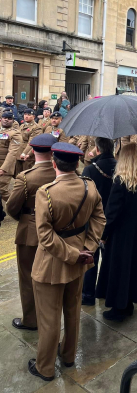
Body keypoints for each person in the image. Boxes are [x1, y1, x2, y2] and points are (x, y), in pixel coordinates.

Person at [28, 143, 105, 381]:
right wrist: (87, 250)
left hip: (52, 263)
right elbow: (99, 220)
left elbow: (45, 236)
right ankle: (68, 355)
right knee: (72, 312)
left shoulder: (47, 192)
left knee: (49, 318)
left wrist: (73, 255)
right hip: (80, 260)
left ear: (54, 163)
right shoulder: (89, 186)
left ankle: (45, 368)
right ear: (77, 164)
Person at [96, 143, 137, 322]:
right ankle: (128, 304)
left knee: (119, 268)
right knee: (133, 266)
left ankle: (119, 308)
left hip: (121, 232)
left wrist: (104, 235)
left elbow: (112, 213)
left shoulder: (121, 181)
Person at [7, 134, 57, 332]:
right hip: (56, 230)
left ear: (33, 152)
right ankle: (51, 315)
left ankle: (31, 319)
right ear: (52, 152)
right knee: (51, 276)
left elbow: (11, 207)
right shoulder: (60, 173)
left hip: (30, 232)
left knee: (28, 277)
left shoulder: (26, 177)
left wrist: (26, 218)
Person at [81, 137, 117, 306]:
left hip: (94, 219)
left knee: (91, 256)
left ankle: (88, 294)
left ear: (97, 149)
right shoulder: (121, 167)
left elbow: (84, 197)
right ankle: (106, 291)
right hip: (113, 217)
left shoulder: (90, 169)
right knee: (110, 257)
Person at [0, 111, 21, 201]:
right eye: (5, 118)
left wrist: (3, 168)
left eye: (9, 119)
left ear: (13, 121)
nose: (6, 120)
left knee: (2, 190)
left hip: (5, 165)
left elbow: (12, 152)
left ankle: (16, 207)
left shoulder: (15, 133)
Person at [16, 109, 43, 175]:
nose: (26, 116)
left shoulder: (36, 127)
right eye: (25, 114)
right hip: (18, 153)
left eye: (29, 115)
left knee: (27, 175)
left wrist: (24, 153)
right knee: (18, 175)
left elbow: (32, 142)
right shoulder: (22, 125)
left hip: (28, 154)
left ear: (33, 117)